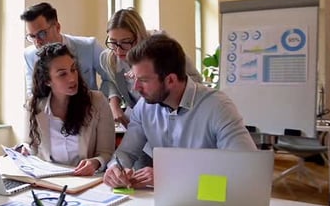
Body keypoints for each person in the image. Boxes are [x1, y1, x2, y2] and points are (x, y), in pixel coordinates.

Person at [103, 34, 256, 188]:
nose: (136, 87)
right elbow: (125, 153)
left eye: (143, 80)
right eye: (134, 78)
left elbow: (246, 169)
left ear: (170, 80)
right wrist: (115, 168)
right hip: (164, 201)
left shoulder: (218, 107)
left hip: (211, 199)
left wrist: (170, 176)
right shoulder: (143, 107)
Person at [100, 8, 202, 128]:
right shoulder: (109, 58)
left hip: (175, 117)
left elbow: (196, 80)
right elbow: (110, 81)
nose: (118, 50)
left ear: (138, 36)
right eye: (113, 42)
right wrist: (115, 105)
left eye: (125, 42)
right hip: (141, 120)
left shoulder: (161, 46)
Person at [24, 42, 115, 176]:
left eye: (73, 70)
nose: (72, 78)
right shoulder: (34, 106)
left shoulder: (97, 102)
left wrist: (95, 162)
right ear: (47, 81)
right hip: (49, 181)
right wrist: (24, 150)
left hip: (86, 181)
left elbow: (106, 152)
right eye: (62, 74)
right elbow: (31, 147)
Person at [21, 2, 109, 96]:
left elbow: (110, 78)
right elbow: (33, 93)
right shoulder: (29, 55)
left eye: (42, 34)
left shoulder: (89, 46)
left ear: (57, 27)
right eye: (32, 36)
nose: (37, 42)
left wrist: (98, 102)